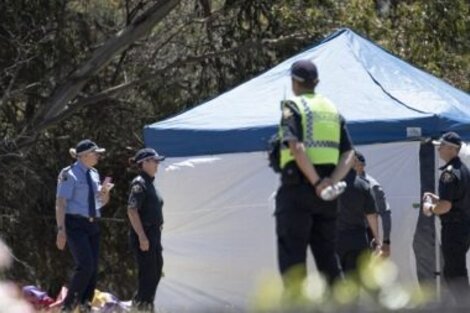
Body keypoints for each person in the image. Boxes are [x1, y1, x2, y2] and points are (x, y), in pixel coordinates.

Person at [274, 59, 355, 297]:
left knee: (293, 263)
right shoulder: (331, 109)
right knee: (328, 260)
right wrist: (330, 182)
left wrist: (316, 182)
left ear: (294, 82)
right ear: (315, 82)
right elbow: (349, 153)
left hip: (298, 191)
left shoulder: (292, 106)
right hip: (327, 197)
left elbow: (296, 148)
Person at [55, 139, 111, 312]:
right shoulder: (69, 174)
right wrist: (61, 230)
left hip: (92, 224)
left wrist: (105, 193)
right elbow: (60, 203)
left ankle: (85, 305)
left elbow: (100, 202)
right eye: (95, 153)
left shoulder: (94, 173)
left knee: (93, 268)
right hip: (75, 224)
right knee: (85, 265)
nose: (98, 156)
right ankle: (68, 306)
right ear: (84, 155)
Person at [423, 132, 470, 303]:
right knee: (455, 270)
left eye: (441, 146)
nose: (438, 149)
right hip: (462, 227)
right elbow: (455, 200)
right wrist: (437, 200)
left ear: (452, 149)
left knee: (454, 273)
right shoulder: (463, 170)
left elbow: (446, 207)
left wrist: (430, 208)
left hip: (454, 229)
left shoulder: (448, 174)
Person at [127, 148, 165, 311]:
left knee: (156, 271)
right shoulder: (139, 183)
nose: (157, 164)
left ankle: (145, 305)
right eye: (154, 161)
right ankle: (141, 306)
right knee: (148, 274)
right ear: (144, 163)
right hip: (145, 234)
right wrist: (142, 236)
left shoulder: (149, 183)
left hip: (154, 234)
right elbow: (132, 210)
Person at [337, 167, 380, 274]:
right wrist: (377, 239)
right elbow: (371, 215)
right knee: (356, 281)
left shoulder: (330, 185)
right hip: (358, 239)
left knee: (335, 282)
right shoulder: (363, 184)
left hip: (334, 238)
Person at [354, 151, 392, 257]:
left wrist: (386, 242)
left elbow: (385, 213)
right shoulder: (343, 184)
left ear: (361, 165)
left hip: (366, 235)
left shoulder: (372, 186)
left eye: (353, 162)